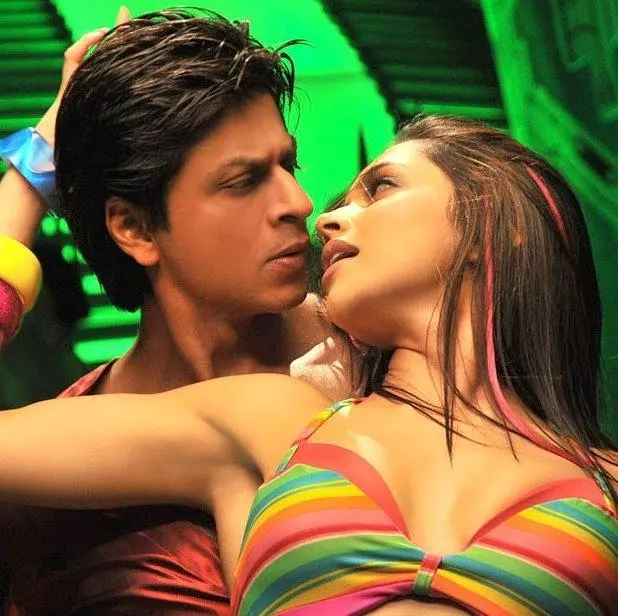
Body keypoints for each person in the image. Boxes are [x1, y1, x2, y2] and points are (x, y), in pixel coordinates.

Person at [0, 115, 616, 615]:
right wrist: (38, 164)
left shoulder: (606, 482)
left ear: (493, 220)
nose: (323, 217)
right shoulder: (269, 418)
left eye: (382, 188)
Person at [0, 9, 362, 614]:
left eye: (288, 165)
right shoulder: (46, 473)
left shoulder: (379, 357)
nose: (298, 202)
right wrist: (36, 163)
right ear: (134, 228)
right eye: (243, 181)